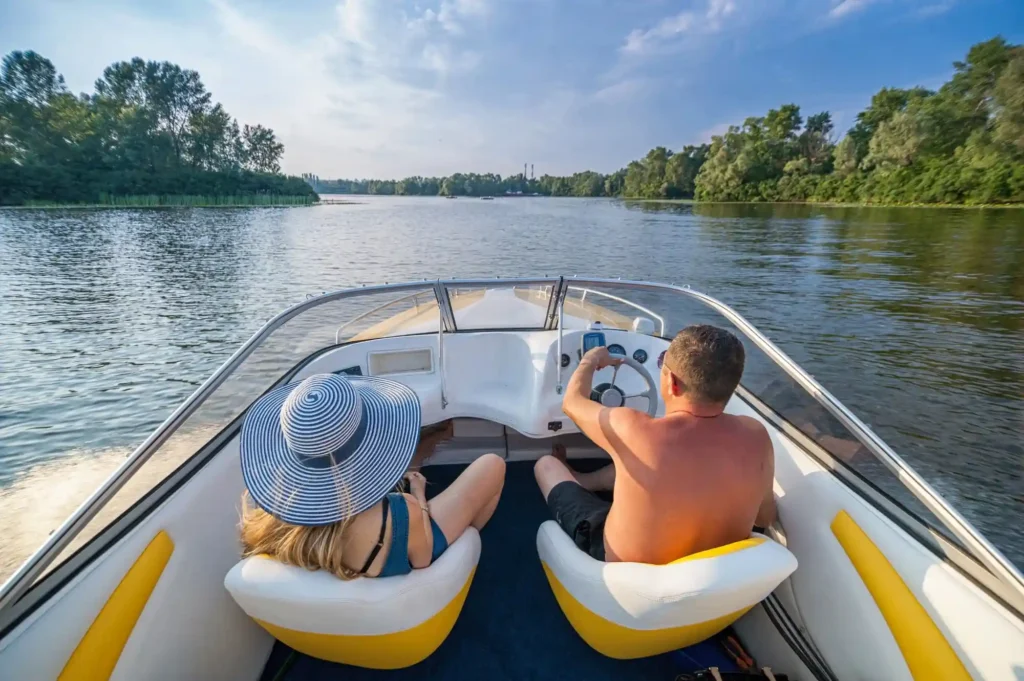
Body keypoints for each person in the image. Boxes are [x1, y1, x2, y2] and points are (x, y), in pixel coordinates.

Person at [534, 324, 776, 564]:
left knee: (546, 465)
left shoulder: (633, 430)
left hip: (625, 571)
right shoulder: (757, 435)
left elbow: (572, 401)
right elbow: (765, 518)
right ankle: (584, 481)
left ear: (672, 382)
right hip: (717, 577)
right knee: (635, 464)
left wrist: (591, 359)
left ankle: (575, 483)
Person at [239, 373, 505, 579]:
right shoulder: (404, 511)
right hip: (404, 544)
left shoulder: (268, 517)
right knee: (492, 465)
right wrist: (419, 497)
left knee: (409, 469)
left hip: (358, 555)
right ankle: (470, 534)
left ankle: (432, 441)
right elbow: (422, 559)